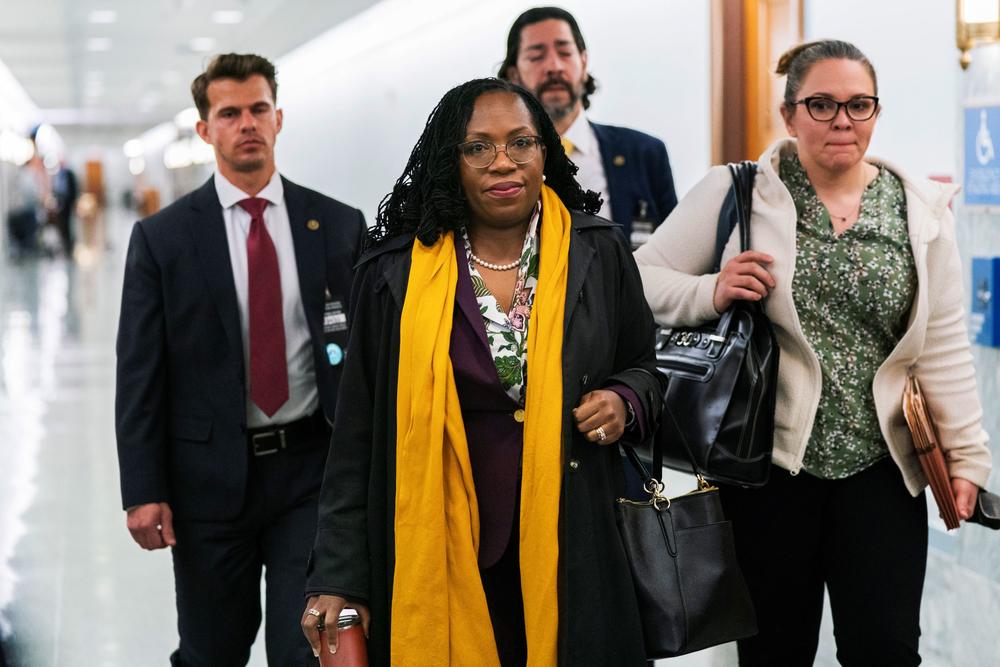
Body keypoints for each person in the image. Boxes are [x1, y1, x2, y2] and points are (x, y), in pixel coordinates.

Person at [635, 40, 992, 666]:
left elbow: (941, 346)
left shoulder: (917, 211)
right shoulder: (737, 193)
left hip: (883, 468)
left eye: (859, 105)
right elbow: (638, 277)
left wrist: (966, 459)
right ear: (789, 114)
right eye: (822, 105)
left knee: (884, 650)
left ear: (876, 112)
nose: (842, 121)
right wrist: (709, 290)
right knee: (775, 651)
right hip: (766, 466)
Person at [299, 77, 663, 666]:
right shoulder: (393, 274)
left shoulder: (598, 253)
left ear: (547, 152)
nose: (504, 162)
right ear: (451, 160)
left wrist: (625, 399)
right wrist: (337, 572)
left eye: (522, 143)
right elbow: (357, 437)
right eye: (478, 147)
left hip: (577, 542)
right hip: (438, 542)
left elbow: (645, 368)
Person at [115, 53, 365, 666]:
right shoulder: (163, 239)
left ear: (278, 118)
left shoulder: (336, 225)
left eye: (258, 109)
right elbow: (139, 376)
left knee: (305, 649)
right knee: (211, 651)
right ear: (206, 130)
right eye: (229, 113)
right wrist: (143, 489)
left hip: (310, 475)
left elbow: (367, 360)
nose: (246, 123)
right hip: (207, 484)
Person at [498, 6, 677, 247]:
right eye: (536, 56)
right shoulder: (495, 162)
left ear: (583, 63)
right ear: (514, 74)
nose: (554, 66)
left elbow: (675, 256)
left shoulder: (645, 154)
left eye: (565, 52)